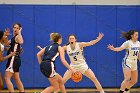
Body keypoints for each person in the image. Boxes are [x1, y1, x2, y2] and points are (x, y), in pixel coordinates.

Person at [4, 23, 24, 92]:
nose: (15, 29)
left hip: (13, 59)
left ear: (20, 29)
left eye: (17, 28)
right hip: (15, 59)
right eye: (14, 27)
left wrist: (20, 32)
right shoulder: (14, 37)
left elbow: (21, 42)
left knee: (7, 78)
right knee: (17, 79)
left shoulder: (18, 36)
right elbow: (6, 44)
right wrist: (6, 36)